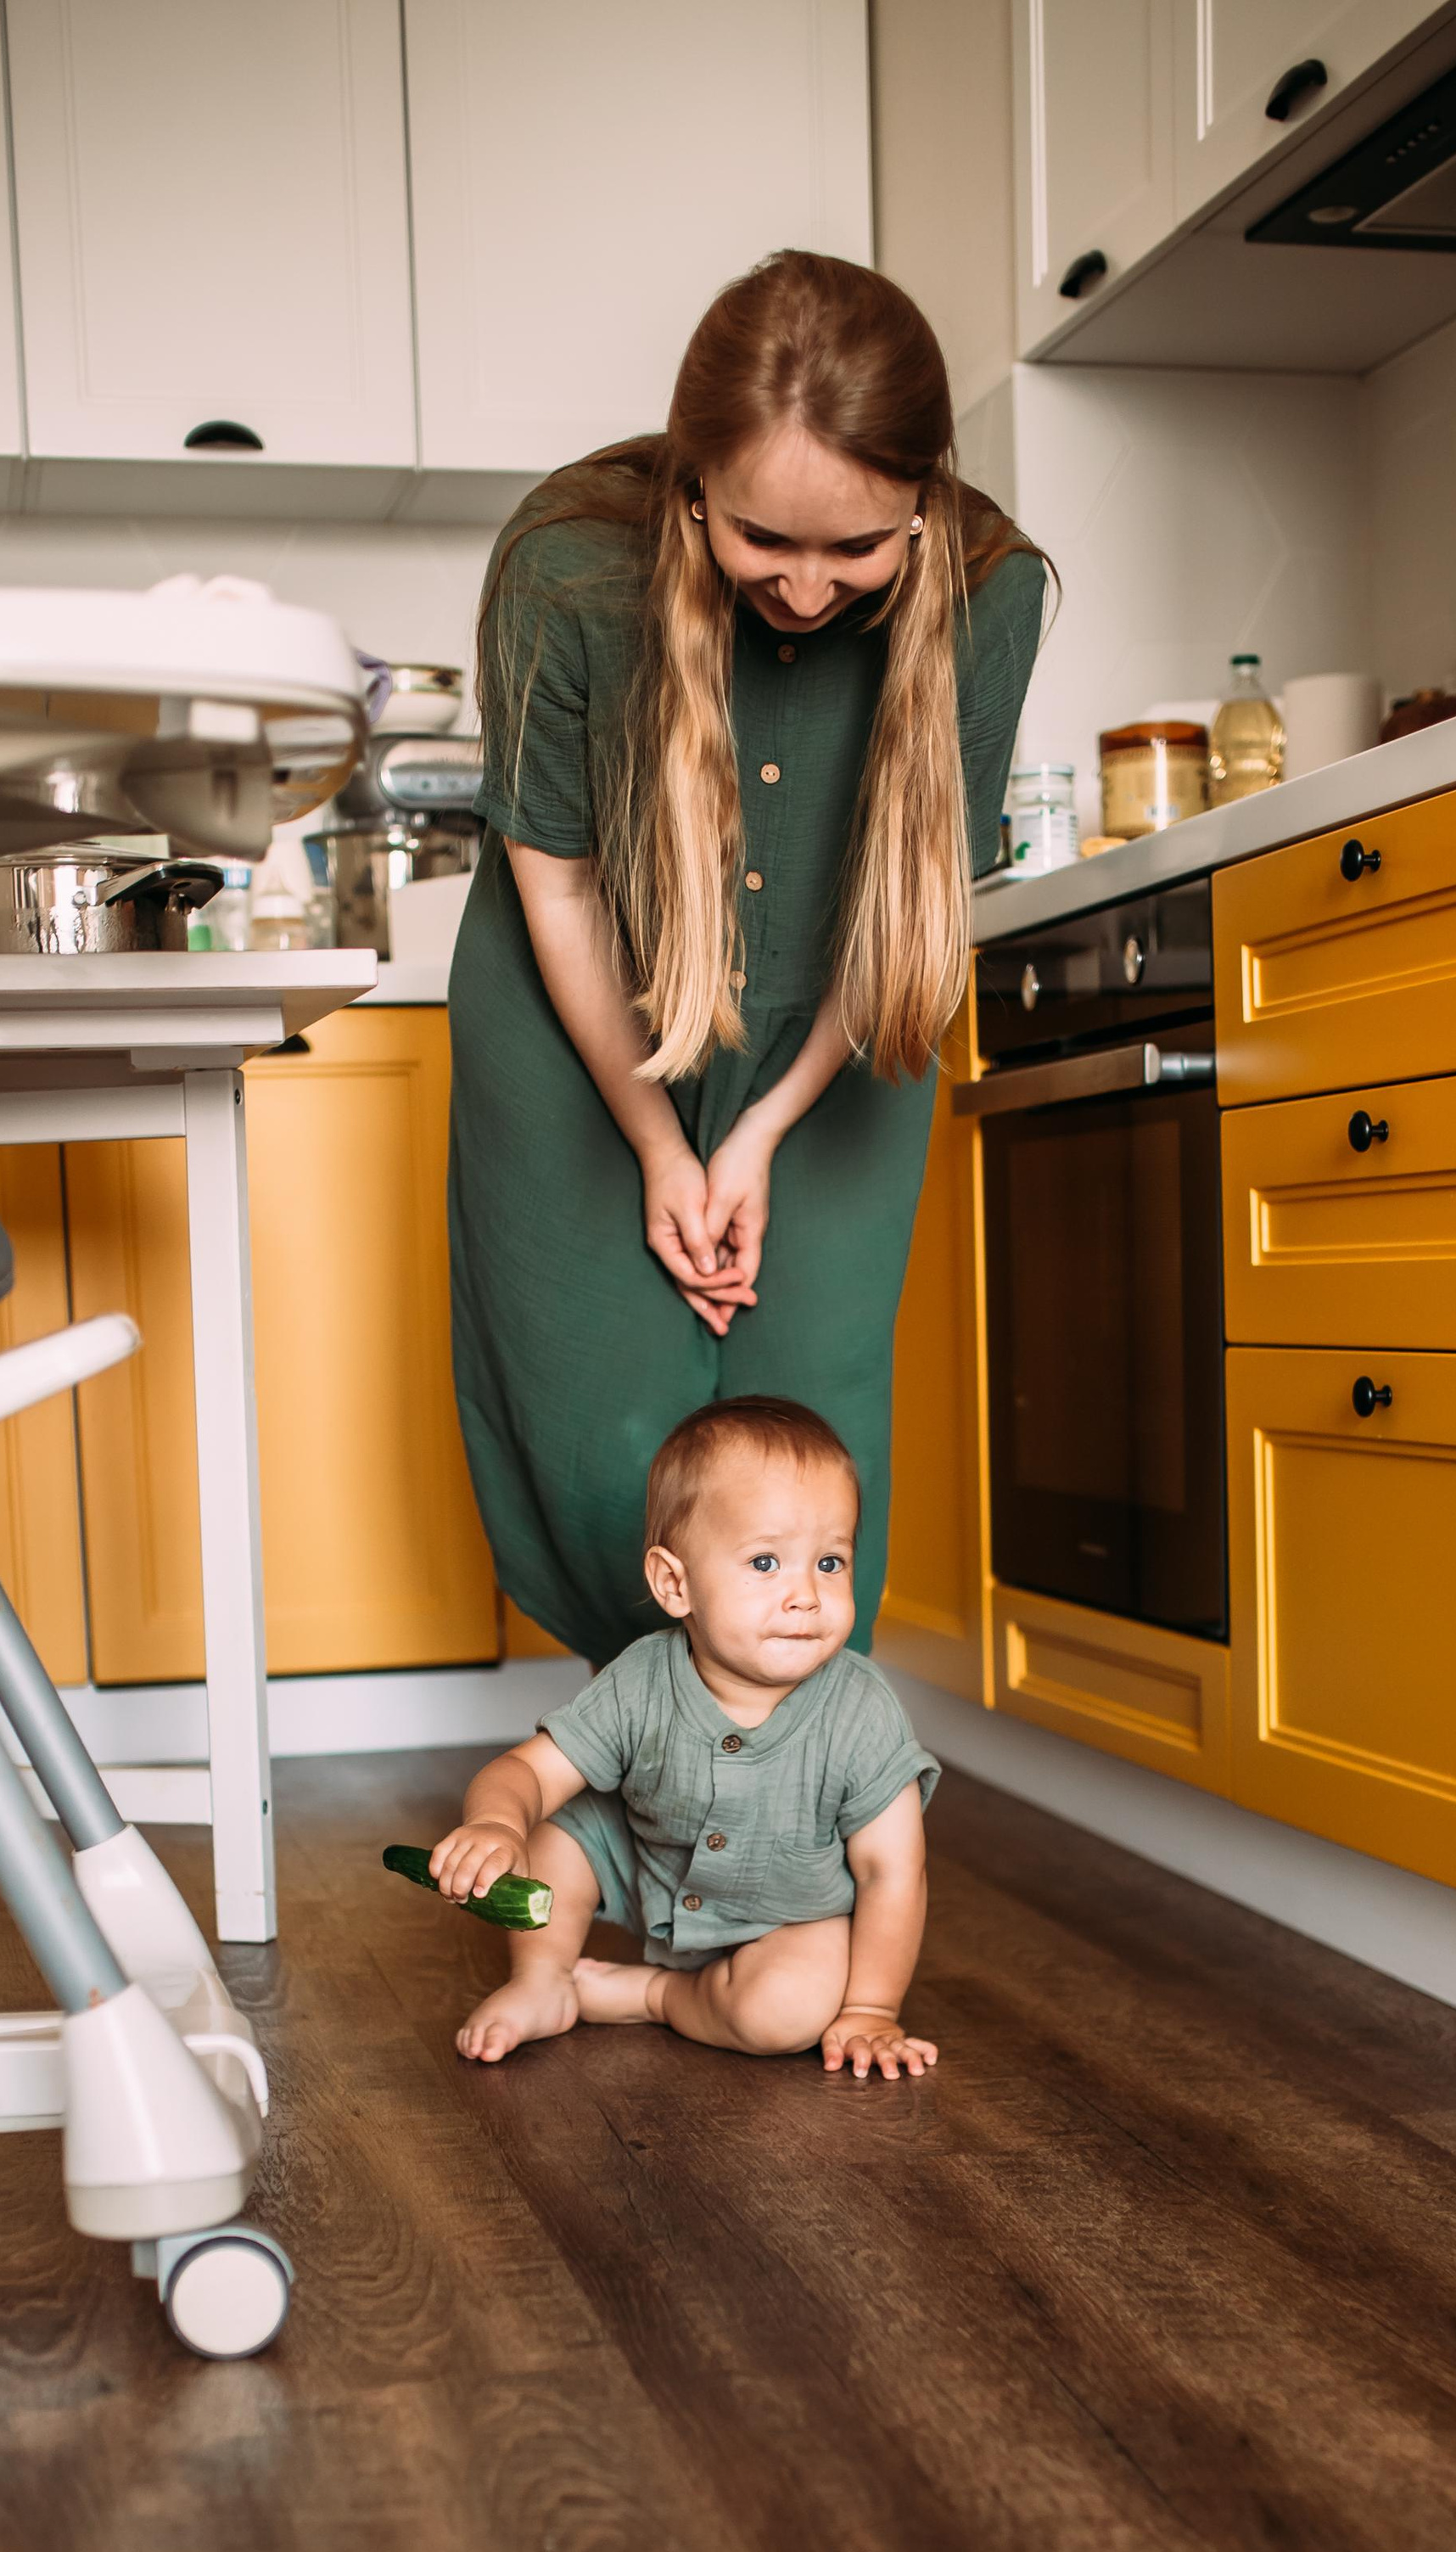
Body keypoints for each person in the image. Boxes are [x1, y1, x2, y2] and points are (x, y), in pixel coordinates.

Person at [448, 249, 1046, 1669]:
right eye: (766, 540)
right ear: (695, 484)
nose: (807, 588)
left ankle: (777, 1821)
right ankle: (656, 1777)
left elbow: (907, 909)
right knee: (612, 1455)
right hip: (584, 1016)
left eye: (859, 547)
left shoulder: (987, 589)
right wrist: (661, 1143)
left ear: (923, 499)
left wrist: (770, 1123)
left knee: (808, 1453)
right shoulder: (565, 568)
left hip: (846, 1020)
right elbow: (561, 882)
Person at [430, 1396, 940, 2081]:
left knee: (790, 2011)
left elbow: (892, 1871)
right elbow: (529, 1771)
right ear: (676, 1583)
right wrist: (497, 1821)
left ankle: (660, 1995)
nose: (806, 1596)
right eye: (766, 1563)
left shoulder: (862, 1710)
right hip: (650, 1877)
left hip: (789, 1922)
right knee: (557, 1832)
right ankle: (544, 1978)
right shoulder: (642, 1677)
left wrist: (872, 2008)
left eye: (830, 1562)